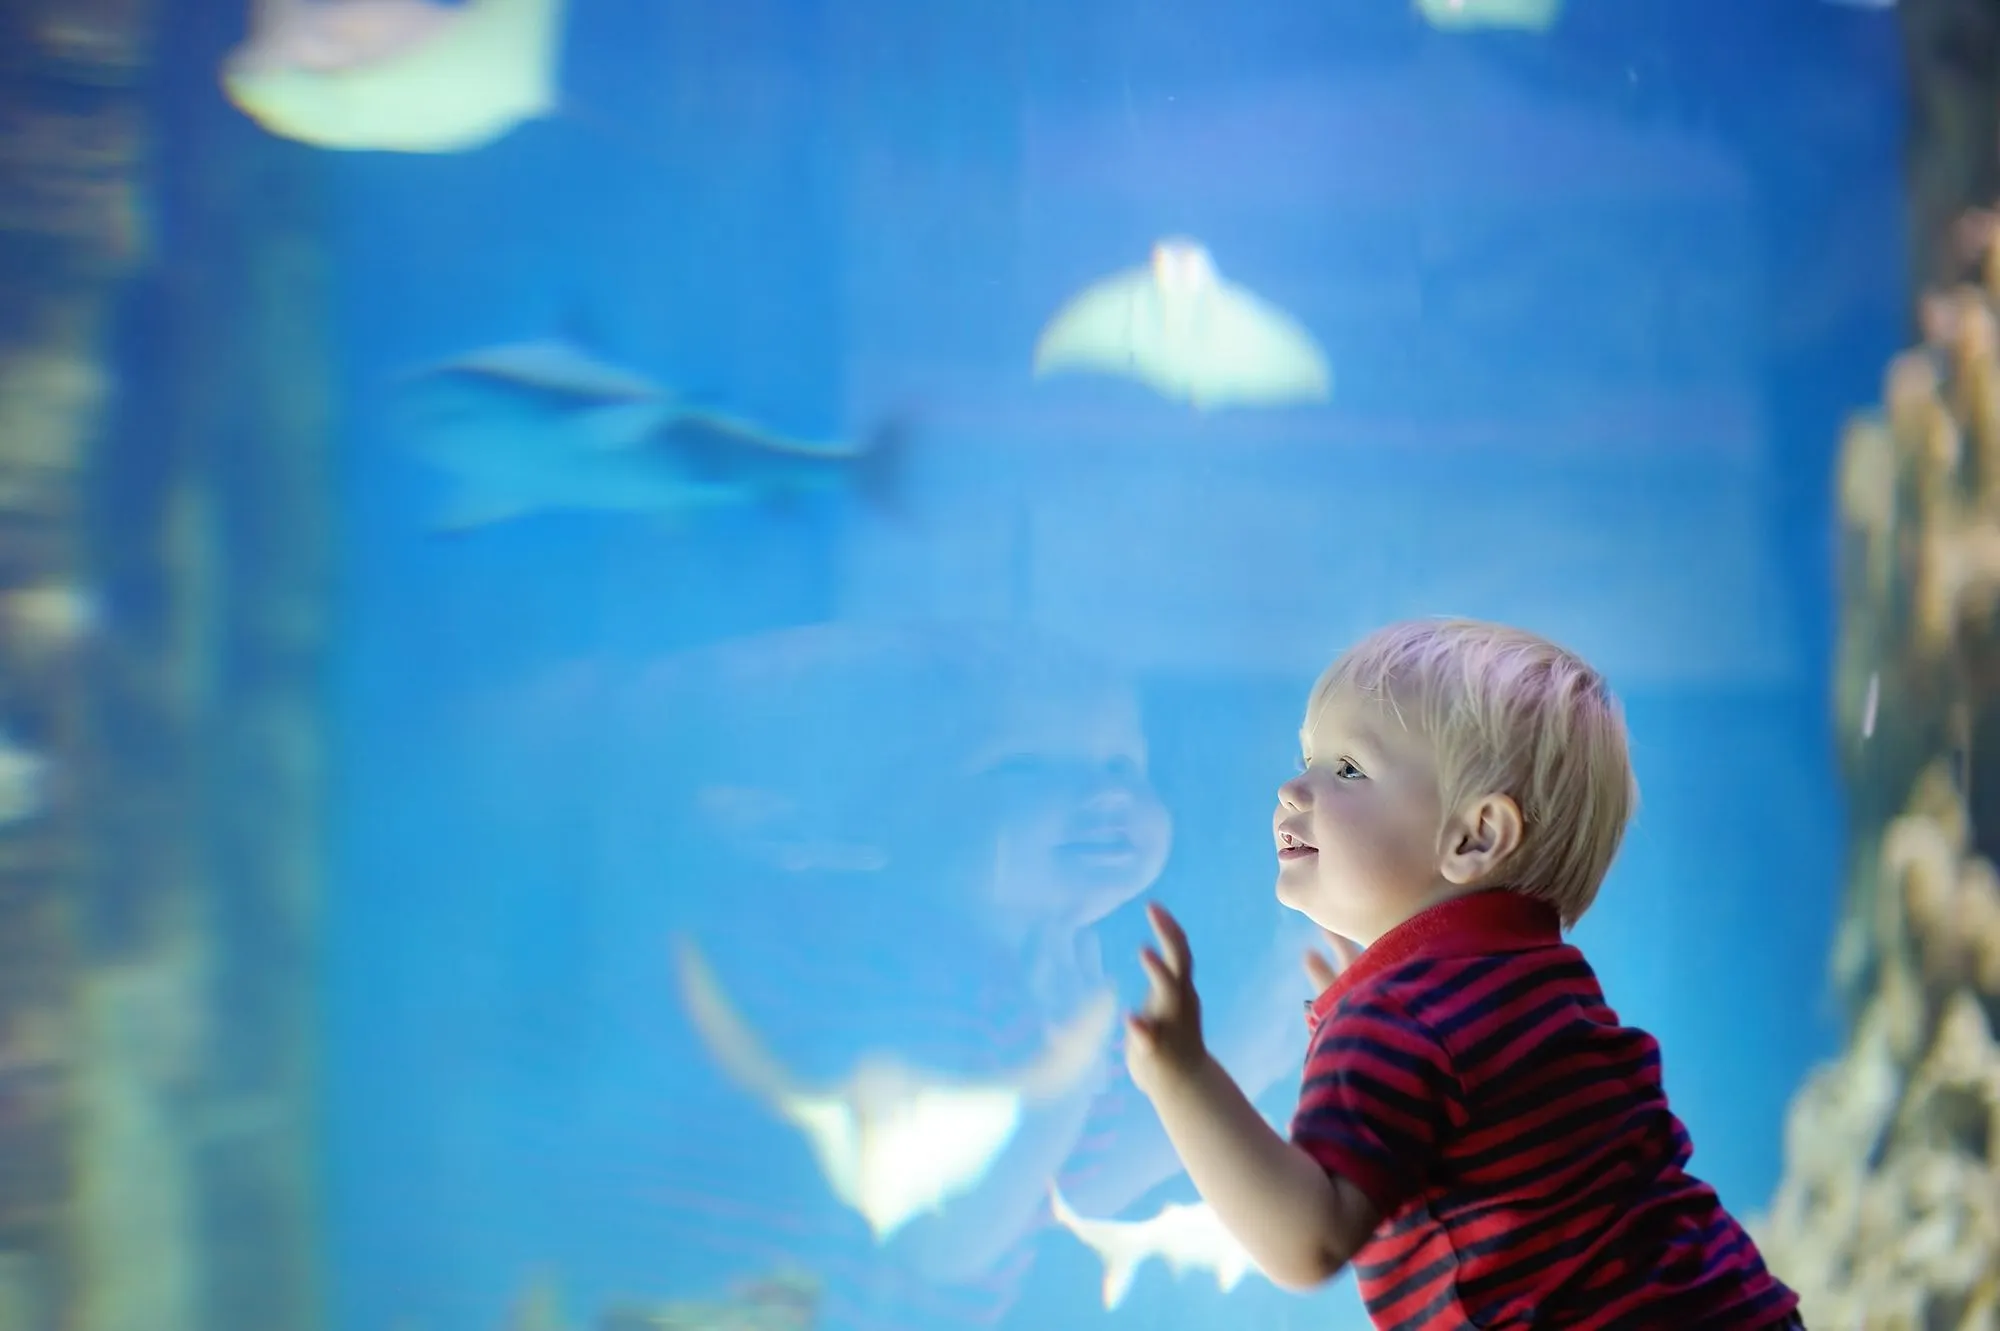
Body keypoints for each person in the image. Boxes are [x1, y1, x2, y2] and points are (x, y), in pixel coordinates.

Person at [1120, 617, 1805, 1330]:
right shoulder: (1537, 979)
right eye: (1309, 758)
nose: (1294, 788)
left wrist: (1182, 1077)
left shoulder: (1401, 1015)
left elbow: (1309, 1239)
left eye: (1348, 768)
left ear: (1476, 835)